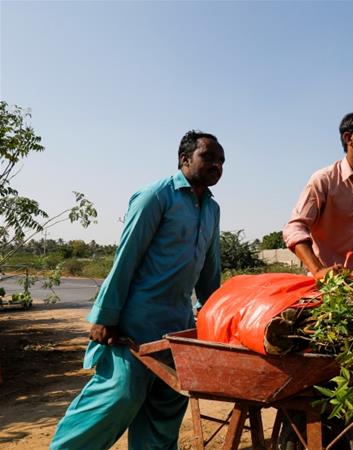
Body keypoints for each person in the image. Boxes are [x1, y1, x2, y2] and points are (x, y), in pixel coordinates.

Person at [50, 131, 225, 450]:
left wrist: (217, 319)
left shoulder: (212, 210)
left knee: (167, 404)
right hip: (134, 325)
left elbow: (210, 274)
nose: (217, 165)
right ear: (185, 159)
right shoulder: (155, 196)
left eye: (221, 161)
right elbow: (126, 258)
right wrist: (106, 316)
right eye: (209, 158)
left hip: (178, 329)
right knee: (118, 396)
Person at [283, 110, 353, 278]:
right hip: (322, 285)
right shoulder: (324, 180)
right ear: (348, 138)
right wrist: (319, 271)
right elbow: (295, 228)